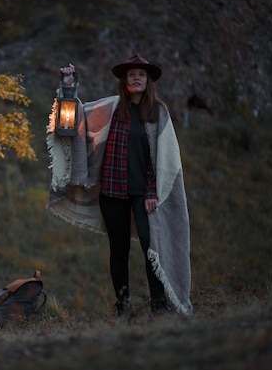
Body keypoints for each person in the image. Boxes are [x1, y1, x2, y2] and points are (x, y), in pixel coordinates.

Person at [47, 54, 192, 317]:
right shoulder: (111, 109)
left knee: (152, 247)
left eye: (142, 74)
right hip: (112, 192)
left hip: (144, 195)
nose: (136, 78)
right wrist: (68, 85)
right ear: (124, 80)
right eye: (131, 74)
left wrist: (151, 191)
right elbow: (74, 118)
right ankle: (122, 305)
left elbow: (163, 159)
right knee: (119, 249)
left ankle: (158, 304)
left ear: (148, 81)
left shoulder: (158, 112)